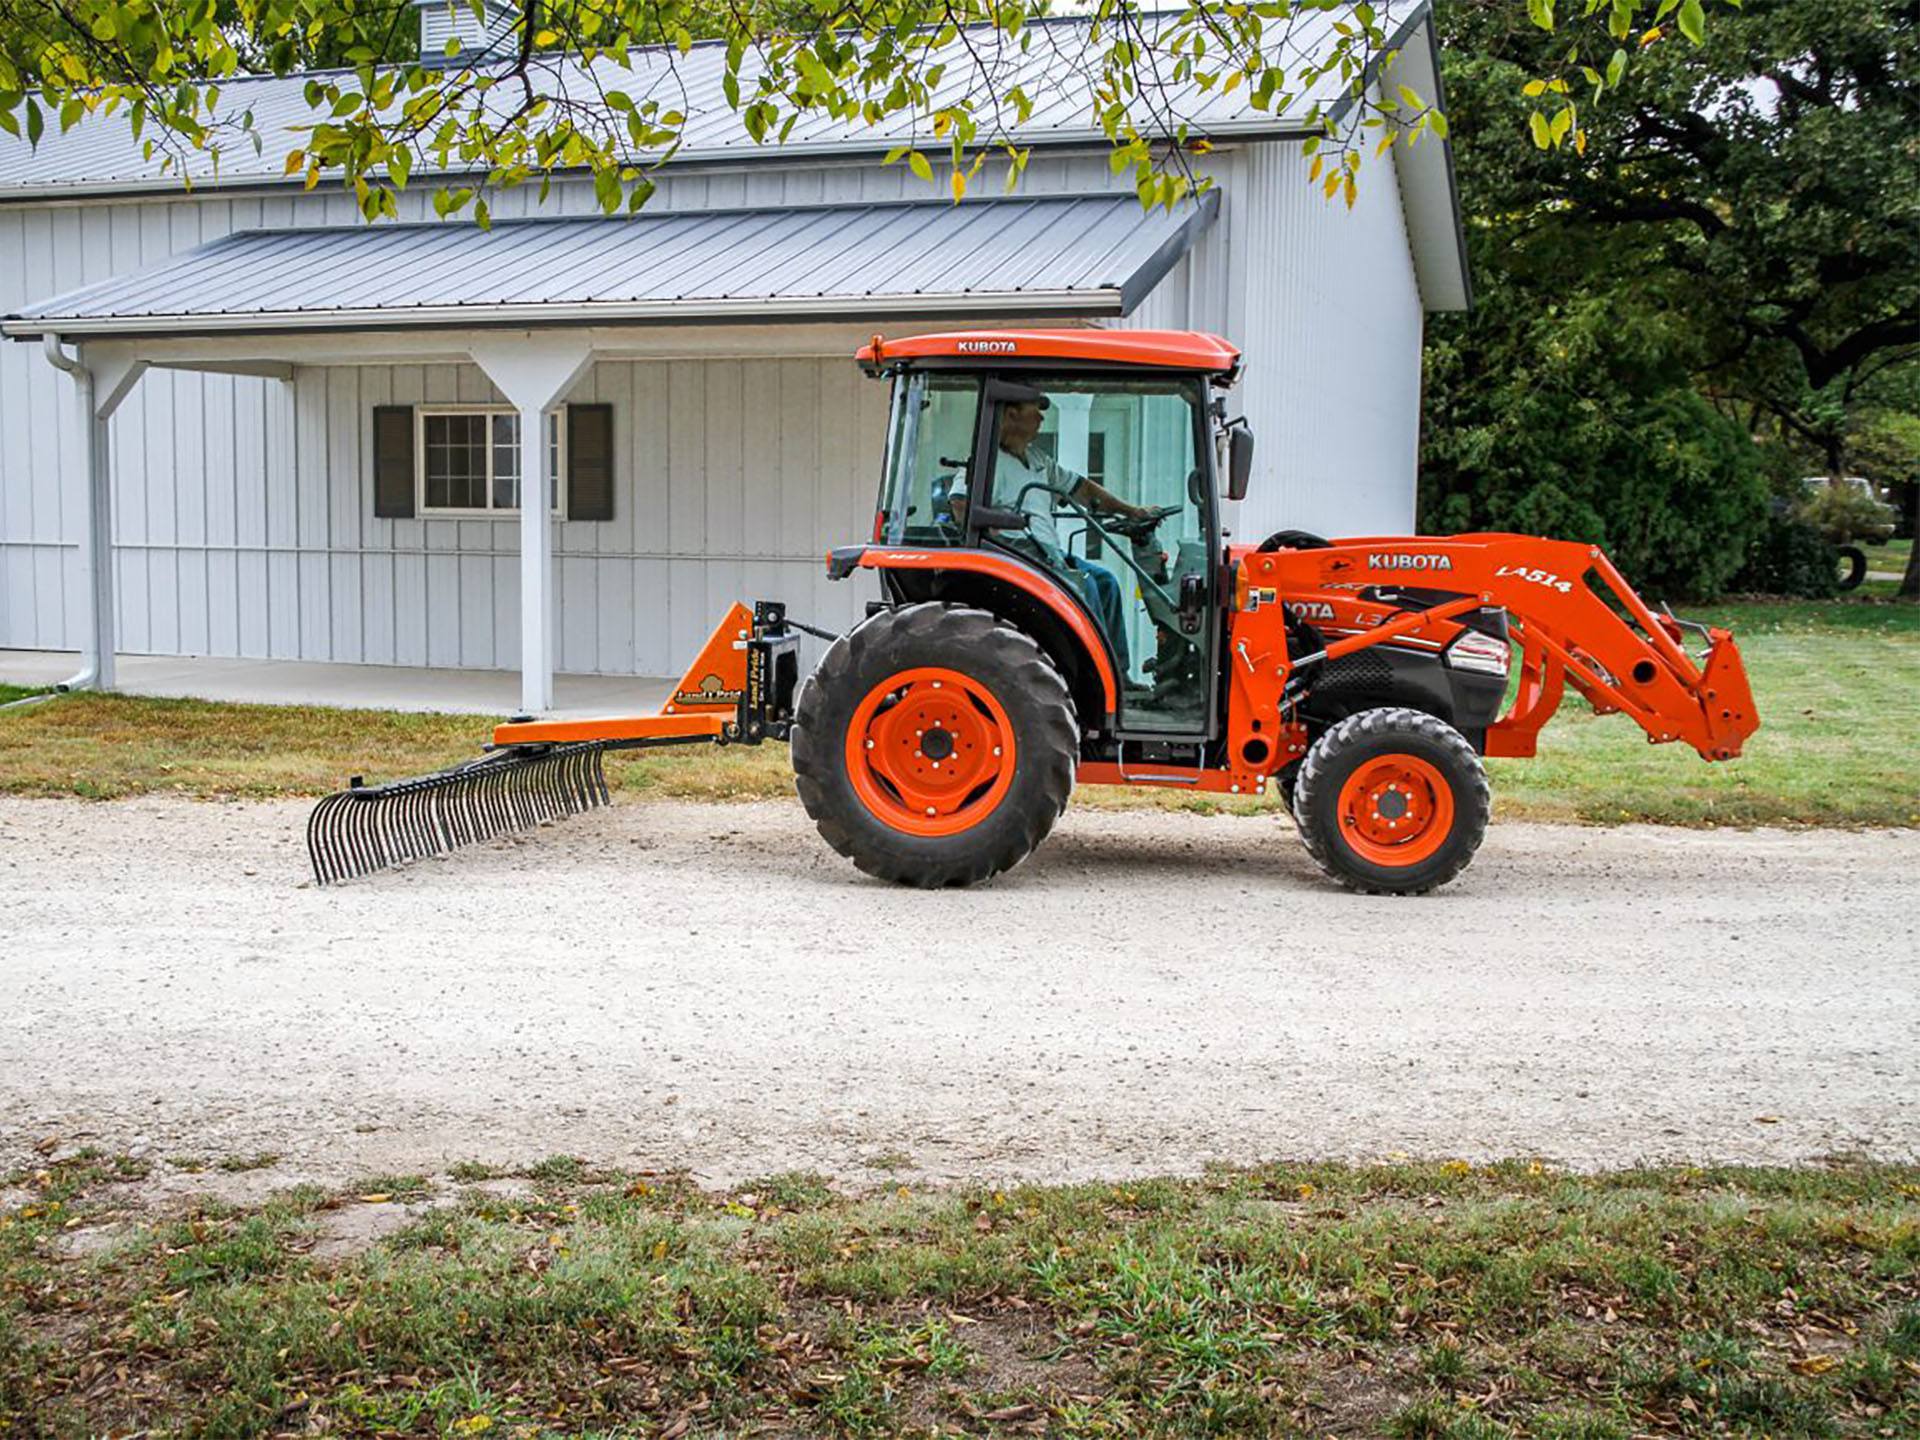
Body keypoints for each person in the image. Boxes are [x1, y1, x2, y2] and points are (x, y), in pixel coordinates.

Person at [949, 396, 1156, 673]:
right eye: (1035, 411)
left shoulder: (1036, 459)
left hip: (1046, 553)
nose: (1041, 419)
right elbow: (960, 503)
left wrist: (1131, 511)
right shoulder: (987, 461)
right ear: (1011, 414)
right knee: (1085, 587)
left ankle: (1118, 675)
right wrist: (998, 535)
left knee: (1105, 582)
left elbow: (1081, 488)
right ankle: (1092, 675)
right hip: (1019, 554)